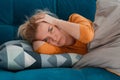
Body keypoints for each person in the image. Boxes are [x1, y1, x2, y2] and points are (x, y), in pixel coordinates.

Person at [18, 10, 94, 55]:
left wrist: (56, 21)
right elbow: (39, 47)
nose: (54, 38)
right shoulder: (62, 50)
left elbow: (88, 36)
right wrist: (34, 41)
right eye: (46, 40)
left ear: (55, 24)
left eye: (51, 29)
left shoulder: (75, 19)